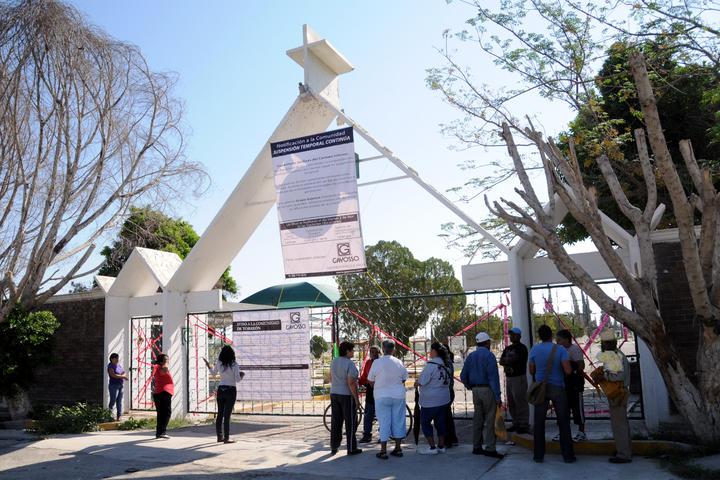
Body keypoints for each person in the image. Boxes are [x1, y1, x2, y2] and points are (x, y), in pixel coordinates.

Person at [528, 325, 575, 463]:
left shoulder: (534, 349)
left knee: (539, 422)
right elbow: (567, 370)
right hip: (558, 387)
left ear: (539, 335)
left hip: (541, 388)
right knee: (563, 422)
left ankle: (538, 455)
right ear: (551, 335)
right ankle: (568, 455)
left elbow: (532, 371)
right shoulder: (559, 349)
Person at [460, 332, 504, 459]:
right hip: (487, 389)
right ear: (487, 343)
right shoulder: (489, 356)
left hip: (475, 390)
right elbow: (493, 378)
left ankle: (476, 446)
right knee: (490, 419)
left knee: (478, 419)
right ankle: (490, 448)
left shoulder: (471, 356)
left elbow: (463, 375)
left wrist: (470, 386)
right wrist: (497, 396)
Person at [596, 329, 632, 464]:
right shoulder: (617, 354)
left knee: (619, 425)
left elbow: (619, 376)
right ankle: (624, 450)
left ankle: (623, 454)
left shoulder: (613, 356)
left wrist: (603, 376)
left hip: (617, 393)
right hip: (620, 392)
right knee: (622, 423)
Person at [368, 340, 409, 459]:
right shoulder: (399, 362)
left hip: (381, 396)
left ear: (382, 350)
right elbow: (404, 378)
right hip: (398, 396)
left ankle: (383, 450)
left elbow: (370, 380)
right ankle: (398, 448)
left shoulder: (376, 362)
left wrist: (380, 384)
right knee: (398, 420)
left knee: (384, 421)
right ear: (394, 350)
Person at [414, 342, 451, 455]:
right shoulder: (446, 365)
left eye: (431, 350)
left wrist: (416, 383)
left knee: (425, 422)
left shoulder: (431, 366)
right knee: (440, 422)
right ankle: (441, 445)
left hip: (430, 400)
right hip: (444, 398)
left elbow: (421, 381)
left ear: (435, 351)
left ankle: (432, 447)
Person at [203, 345, 245, 443]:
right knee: (227, 415)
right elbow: (238, 380)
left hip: (221, 389)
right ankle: (227, 438)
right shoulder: (234, 365)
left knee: (220, 414)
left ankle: (219, 436)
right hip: (231, 390)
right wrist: (242, 375)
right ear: (232, 354)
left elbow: (213, 374)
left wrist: (208, 366)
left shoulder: (219, 363)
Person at [329, 341, 363, 456]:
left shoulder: (334, 361)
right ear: (347, 351)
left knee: (336, 421)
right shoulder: (349, 364)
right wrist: (357, 401)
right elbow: (351, 383)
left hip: (334, 393)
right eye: (352, 350)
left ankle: (334, 446)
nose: (353, 352)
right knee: (350, 423)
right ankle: (352, 448)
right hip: (346, 396)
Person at [555, 329, 586, 442]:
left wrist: (570, 371)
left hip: (574, 384)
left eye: (559, 339)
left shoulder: (574, 350)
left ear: (566, 339)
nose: (557, 341)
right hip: (563, 385)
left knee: (577, 409)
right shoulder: (558, 350)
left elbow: (581, 365)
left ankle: (581, 432)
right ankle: (563, 432)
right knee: (563, 410)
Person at [498, 327, 530, 434]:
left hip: (519, 377)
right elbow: (501, 361)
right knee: (511, 401)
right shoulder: (508, 348)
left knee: (520, 400)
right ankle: (515, 422)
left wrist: (508, 360)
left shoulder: (522, 348)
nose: (511, 336)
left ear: (519, 336)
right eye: (510, 335)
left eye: (514, 334)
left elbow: (517, 359)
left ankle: (523, 423)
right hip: (509, 377)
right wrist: (509, 360)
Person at [358, 345, 380, 443]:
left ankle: (383, 435)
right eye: (372, 352)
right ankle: (367, 435)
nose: (373, 354)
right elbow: (364, 376)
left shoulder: (382, 363)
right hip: (370, 391)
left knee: (382, 414)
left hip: (380, 390)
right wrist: (358, 382)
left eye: (376, 352)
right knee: (368, 414)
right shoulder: (368, 363)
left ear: (380, 353)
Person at [152, 354, 174, 439]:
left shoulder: (157, 367)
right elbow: (164, 371)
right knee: (166, 413)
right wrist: (165, 364)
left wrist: (165, 362)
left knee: (161, 414)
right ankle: (162, 431)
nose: (168, 361)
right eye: (166, 360)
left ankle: (159, 432)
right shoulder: (160, 368)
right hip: (163, 392)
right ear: (161, 361)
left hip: (160, 392)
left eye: (168, 360)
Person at [442, 342, 459, 447]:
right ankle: (452, 438)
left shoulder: (446, 363)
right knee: (447, 416)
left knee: (445, 417)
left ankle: (448, 439)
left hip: (446, 392)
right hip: (449, 392)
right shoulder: (448, 362)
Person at [107, 353, 127, 421]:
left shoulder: (118, 365)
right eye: (115, 358)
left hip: (120, 385)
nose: (117, 360)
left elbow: (124, 372)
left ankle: (119, 416)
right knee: (113, 401)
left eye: (117, 358)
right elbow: (113, 375)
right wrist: (123, 377)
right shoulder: (110, 366)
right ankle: (110, 416)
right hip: (113, 385)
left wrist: (123, 375)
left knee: (119, 401)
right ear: (112, 359)